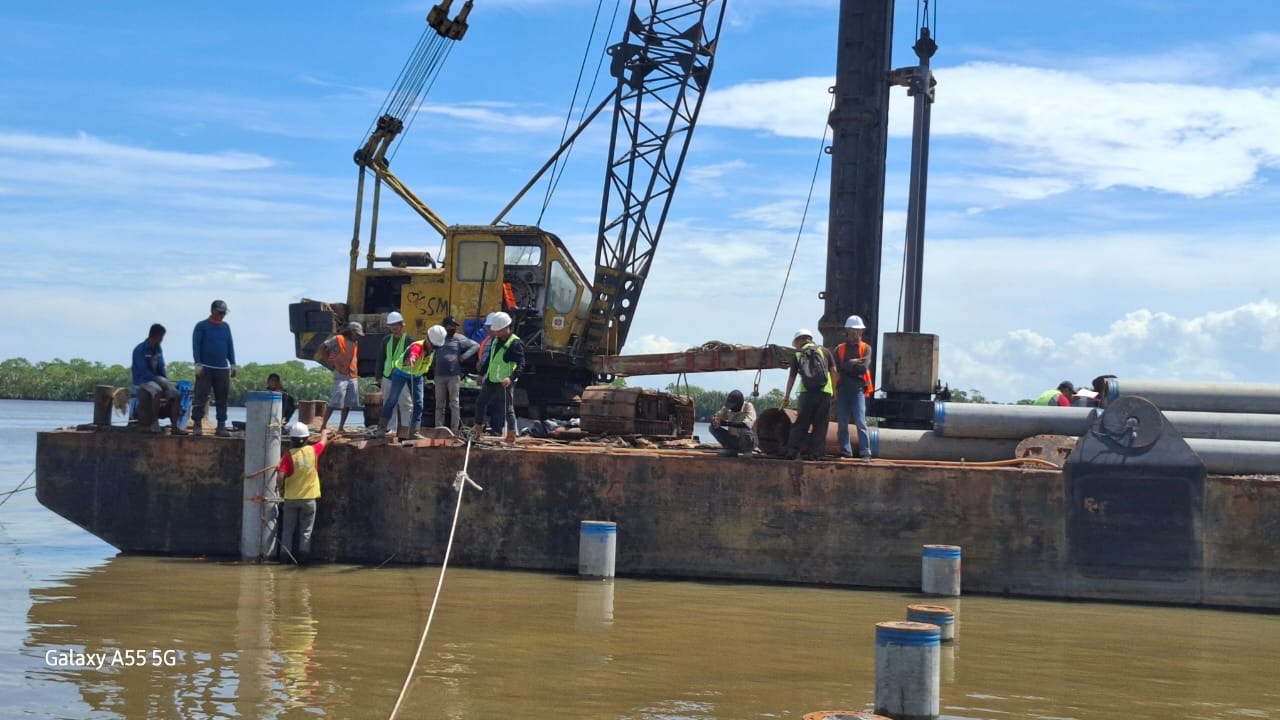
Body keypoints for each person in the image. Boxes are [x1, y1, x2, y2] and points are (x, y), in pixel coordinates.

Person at [276, 423, 331, 564]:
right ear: (306, 438)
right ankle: (303, 561)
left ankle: (284, 559)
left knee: (287, 531)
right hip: (309, 499)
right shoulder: (313, 451)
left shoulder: (288, 456)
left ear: (292, 439)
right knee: (306, 532)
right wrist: (324, 433)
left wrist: (281, 490)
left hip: (291, 499)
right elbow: (323, 442)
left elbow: (280, 476)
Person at [375, 325, 441, 439]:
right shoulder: (417, 345)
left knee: (419, 404)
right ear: (428, 339)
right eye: (433, 345)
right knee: (392, 400)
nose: (433, 348)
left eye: (436, 347)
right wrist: (412, 358)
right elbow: (414, 352)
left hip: (417, 376)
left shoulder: (433, 350)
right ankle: (381, 429)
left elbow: (427, 365)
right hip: (401, 373)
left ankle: (414, 432)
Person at [782, 328, 836, 460]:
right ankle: (815, 454)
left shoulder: (798, 354)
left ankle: (792, 451)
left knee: (801, 423)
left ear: (799, 341)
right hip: (824, 393)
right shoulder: (825, 351)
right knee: (821, 425)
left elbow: (792, 377)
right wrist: (834, 391)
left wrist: (787, 397)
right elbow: (834, 371)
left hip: (806, 393)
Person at [472, 312, 525, 444]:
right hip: (491, 379)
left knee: (508, 408)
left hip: (505, 382)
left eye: (498, 330)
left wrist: (511, 378)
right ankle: (478, 430)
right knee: (480, 403)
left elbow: (521, 364)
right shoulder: (495, 341)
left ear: (506, 328)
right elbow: (490, 359)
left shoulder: (515, 343)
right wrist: (481, 374)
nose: (496, 333)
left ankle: (511, 436)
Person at [192, 299, 236, 437]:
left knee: (222, 398)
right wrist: (197, 363)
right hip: (205, 368)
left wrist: (233, 363)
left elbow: (230, 345)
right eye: (220, 312)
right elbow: (196, 346)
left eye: (224, 313)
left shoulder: (226, 327)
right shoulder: (201, 326)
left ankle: (221, 426)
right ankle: (197, 424)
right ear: (212, 311)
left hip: (222, 369)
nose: (222, 315)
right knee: (201, 396)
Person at [131, 323, 185, 435]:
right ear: (155, 336)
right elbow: (142, 371)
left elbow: (161, 367)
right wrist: (158, 380)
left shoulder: (158, 349)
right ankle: (154, 423)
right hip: (143, 380)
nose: (162, 339)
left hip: (157, 378)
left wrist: (166, 382)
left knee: (176, 394)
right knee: (157, 391)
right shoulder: (140, 349)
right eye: (161, 336)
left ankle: (175, 427)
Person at [834, 314, 875, 461]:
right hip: (843, 390)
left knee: (860, 421)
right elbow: (837, 368)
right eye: (854, 331)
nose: (857, 334)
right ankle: (845, 451)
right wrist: (851, 363)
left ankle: (866, 452)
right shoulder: (839, 349)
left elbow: (862, 369)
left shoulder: (866, 348)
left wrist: (847, 366)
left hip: (857, 389)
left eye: (859, 331)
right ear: (848, 331)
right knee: (843, 422)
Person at [433, 315, 479, 433]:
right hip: (439, 375)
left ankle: (454, 429)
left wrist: (464, 357)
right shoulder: (438, 338)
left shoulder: (458, 338)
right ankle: (438, 429)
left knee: (454, 403)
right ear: (444, 327)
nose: (452, 328)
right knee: (439, 404)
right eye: (450, 326)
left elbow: (475, 345)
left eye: (453, 326)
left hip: (453, 375)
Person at [319, 321, 364, 433]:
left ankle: (341, 427)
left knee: (349, 403)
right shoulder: (338, 339)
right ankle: (323, 426)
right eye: (356, 334)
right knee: (335, 401)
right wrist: (329, 362)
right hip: (340, 374)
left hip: (352, 375)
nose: (358, 336)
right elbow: (322, 347)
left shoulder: (355, 343)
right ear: (351, 331)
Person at [375, 311, 414, 437]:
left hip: (402, 377)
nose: (394, 328)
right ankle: (391, 428)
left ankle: (405, 429)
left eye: (396, 325)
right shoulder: (386, 340)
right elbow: (381, 358)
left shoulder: (408, 340)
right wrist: (379, 376)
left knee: (405, 403)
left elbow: (411, 358)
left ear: (402, 325)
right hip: (388, 377)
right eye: (391, 325)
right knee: (388, 403)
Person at [710, 390, 757, 457]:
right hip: (733, 439)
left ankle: (747, 451)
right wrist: (714, 420)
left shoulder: (748, 406)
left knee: (744, 430)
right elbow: (717, 415)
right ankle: (730, 449)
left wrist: (726, 423)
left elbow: (746, 424)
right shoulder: (727, 407)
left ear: (739, 404)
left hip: (746, 441)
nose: (730, 407)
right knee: (712, 428)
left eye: (732, 405)